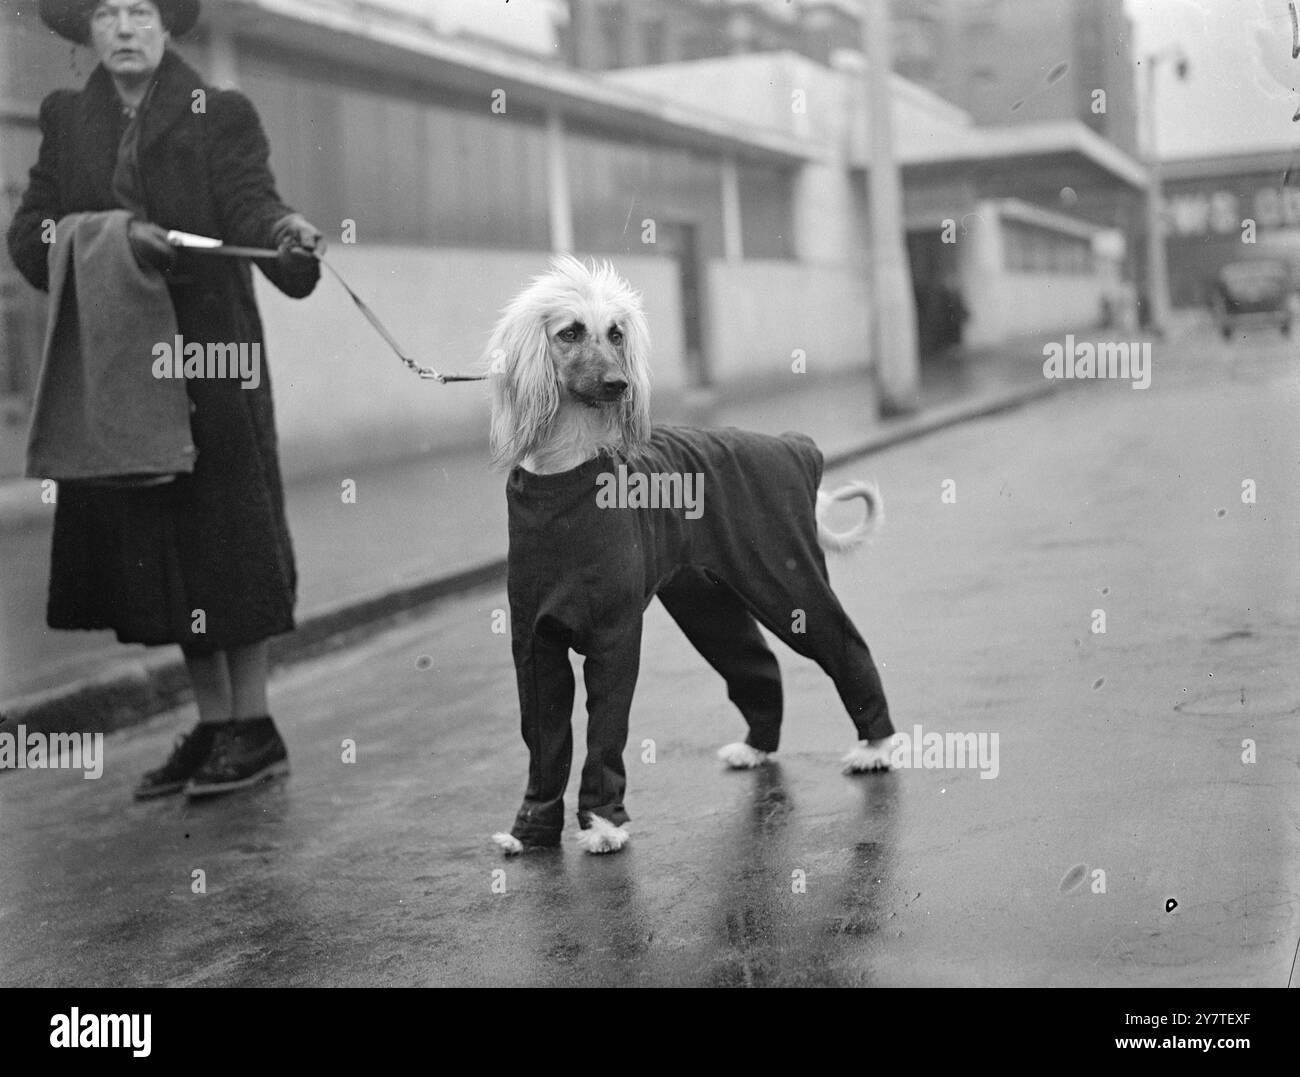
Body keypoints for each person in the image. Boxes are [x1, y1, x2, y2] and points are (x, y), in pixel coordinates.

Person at [7, 0, 325, 799]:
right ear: (85, 31)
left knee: (229, 538)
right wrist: (110, 235)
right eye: (107, 12)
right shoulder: (66, 120)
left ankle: (255, 724)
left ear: (165, 25)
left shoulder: (220, 113)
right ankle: (215, 724)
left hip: (211, 362)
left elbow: (251, 204)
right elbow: (32, 237)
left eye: (140, 11)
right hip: (120, 370)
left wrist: (286, 230)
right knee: (160, 546)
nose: (123, 28)